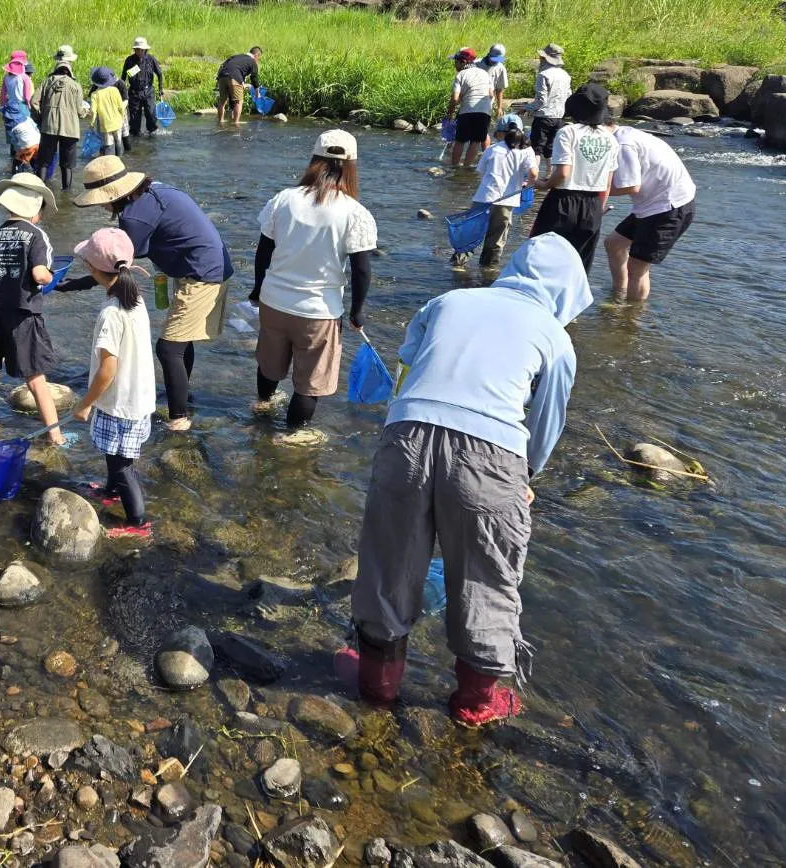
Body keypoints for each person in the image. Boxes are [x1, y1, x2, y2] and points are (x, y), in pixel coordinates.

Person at [341, 233, 592, 727]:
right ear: (567, 292)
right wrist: (527, 475)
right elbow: (546, 421)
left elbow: (408, 364)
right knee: (487, 575)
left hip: (406, 434)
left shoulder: (449, 300)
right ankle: (476, 704)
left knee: (387, 564)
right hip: (491, 453)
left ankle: (378, 687)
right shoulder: (555, 337)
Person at [73, 156, 233, 432]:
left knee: (168, 347)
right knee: (180, 341)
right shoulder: (153, 192)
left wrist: (73, 284)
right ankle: (182, 395)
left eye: (100, 199)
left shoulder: (134, 216)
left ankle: (179, 419)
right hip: (201, 265)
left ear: (114, 195)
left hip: (202, 272)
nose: (100, 204)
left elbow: (112, 263)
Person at [250, 130, 377, 445]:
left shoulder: (285, 198)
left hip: (274, 301)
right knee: (309, 384)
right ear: (350, 166)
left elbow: (263, 251)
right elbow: (362, 269)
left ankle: (262, 407)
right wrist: (357, 311)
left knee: (269, 363)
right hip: (319, 312)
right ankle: (291, 436)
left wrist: (257, 288)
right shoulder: (354, 212)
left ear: (314, 160)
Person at [69, 227, 157, 540]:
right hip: (139, 397)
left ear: (93, 269)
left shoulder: (111, 312)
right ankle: (110, 492)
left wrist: (85, 404)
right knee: (117, 457)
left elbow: (107, 370)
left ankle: (138, 524)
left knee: (122, 466)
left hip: (120, 402)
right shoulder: (135, 297)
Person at [0, 172, 72, 448]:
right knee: (35, 374)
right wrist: (52, 277)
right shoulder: (35, 235)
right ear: (36, 212)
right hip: (21, 313)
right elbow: (40, 274)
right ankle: (55, 435)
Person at [531, 83, 620, 272]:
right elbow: (607, 182)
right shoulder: (610, 138)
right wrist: (599, 209)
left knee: (541, 257)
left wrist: (543, 184)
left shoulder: (568, 132)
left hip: (563, 202)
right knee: (578, 265)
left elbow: (563, 173)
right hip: (593, 204)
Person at [605, 124, 697, 304]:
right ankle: (619, 294)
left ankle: (630, 318)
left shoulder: (623, 144)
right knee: (614, 244)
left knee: (637, 267)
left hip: (669, 207)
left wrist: (593, 191)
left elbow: (630, 186)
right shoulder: (624, 132)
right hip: (653, 203)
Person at [470, 116, 538, 271]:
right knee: (496, 240)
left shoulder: (492, 149)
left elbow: (480, 172)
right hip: (506, 202)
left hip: (483, 198)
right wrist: (528, 185)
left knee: (472, 233)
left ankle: (458, 264)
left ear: (500, 133)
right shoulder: (526, 151)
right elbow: (533, 174)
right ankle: (487, 270)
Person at [34, 45, 84, 190]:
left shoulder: (46, 82)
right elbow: (80, 112)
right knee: (67, 165)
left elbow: (34, 102)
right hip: (70, 130)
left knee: (43, 162)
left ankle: (39, 192)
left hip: (48, 127)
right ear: (70, 64)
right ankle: (66, 195)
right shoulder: (75, 85)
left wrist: (41, 118)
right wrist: (85, 112)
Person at [445, 48, 494, 169]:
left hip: (467, 111)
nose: (455, 65)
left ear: (463, 62)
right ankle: (467, 169)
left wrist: (449, 114)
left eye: (456, 62)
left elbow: (455, 99)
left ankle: (454, 167)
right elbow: (491, 94)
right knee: (476, 141)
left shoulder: (461, 74)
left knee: (460, 140)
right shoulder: (485, 73)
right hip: (484, 111)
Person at [526, 44, 570, 164]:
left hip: (543, 117)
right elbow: (568, 95)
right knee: (551, 148)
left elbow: (541, 100)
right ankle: (549, 175)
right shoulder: (565, 75)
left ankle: (533, 177)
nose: (540, 59)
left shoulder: (543, 75)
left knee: (536, 149)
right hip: (558, 117)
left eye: (541, 57)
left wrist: (526, 108)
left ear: (545, 59)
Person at [121, 37, 165, 137]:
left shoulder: (151, 59)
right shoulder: (129, 60)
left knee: (150, 114)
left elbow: (159, 73)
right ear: (135, 49)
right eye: (137, 49)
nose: (139, 51)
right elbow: (123, 77)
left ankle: (152, 133)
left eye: (141, 49)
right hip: (134, 93)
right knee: (135, 120)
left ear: (145, 49)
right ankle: (135, 138)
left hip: (148, 91)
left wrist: (160, 88)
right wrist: (121, 93)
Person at [0, 53, 35, 162]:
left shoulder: (6, 77)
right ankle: (23, 161)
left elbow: (2, 96)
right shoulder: (25, 77)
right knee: (25, 135)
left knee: (13, 136)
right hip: (22, 107)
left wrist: (3, 107)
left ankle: (13, 159)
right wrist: (29, 107)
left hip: (10, 107)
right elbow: (27, 96)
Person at [216, 47, 261, 126]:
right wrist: (257, 92)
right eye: (259, 58)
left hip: (222, 76)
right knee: (238, 102)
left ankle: (220, 122)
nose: (258, 60)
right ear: (256, 55)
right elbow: (254, 77)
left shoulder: (236, 57)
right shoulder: (252, 61)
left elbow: (223, 66)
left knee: (222, 101)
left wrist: (218, 79)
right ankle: (236, 124)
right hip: (234, 77)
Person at [89, 66, 127, 156]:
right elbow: (121, 107)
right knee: (118, 142)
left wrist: (91, 124)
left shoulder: (94, 95)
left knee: (108, 145)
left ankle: (110, 164)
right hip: (118, 122)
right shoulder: (115, 90)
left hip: (105, 125)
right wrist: (121, 118)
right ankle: (120, 160)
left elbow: (93, 112)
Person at [482, 43, 508, 119]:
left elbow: (499, 89)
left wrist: (499, 107)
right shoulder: (477, 64)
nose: (495, 61)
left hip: (488, 104)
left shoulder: (500, 68)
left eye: (498, 59)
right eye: (494, 59)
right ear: (488, 55)